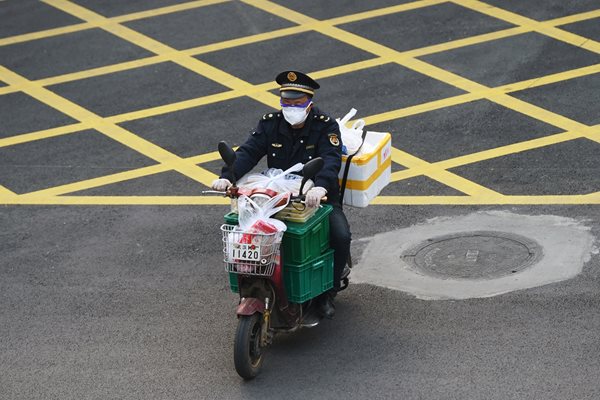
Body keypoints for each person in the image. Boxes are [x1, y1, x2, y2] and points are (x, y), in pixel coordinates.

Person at [212, 70, 351, 319]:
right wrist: (227, 177)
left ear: (308, 103)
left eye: (297, 103)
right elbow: (248, 152)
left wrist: (320, 187)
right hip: (276, 195)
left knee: (340, 236)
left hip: (315, 199)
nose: (291, 107)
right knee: (248, 233)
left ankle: (327, 293)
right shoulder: (270, 123)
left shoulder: (325, 125)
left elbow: (330, 160)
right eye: (286, 102)